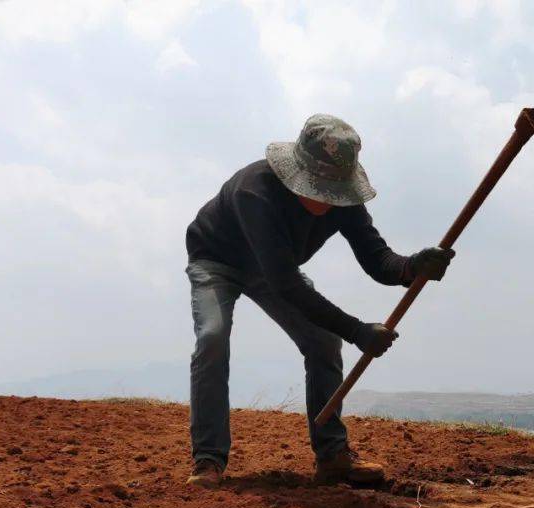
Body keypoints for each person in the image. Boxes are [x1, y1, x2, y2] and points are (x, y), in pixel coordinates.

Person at [184, 114, 453, 487]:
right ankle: (208, 460)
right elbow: (286, 285)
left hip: (275, 270)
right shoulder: (255, 192)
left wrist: (412, 268)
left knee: (324, 342)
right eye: (317, 188)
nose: (325, 200)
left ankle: (332, 456)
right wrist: (358, 331)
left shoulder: (344, 201)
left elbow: (378, 260)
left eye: (332, 191)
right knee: (213, 337)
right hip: (217, 258)